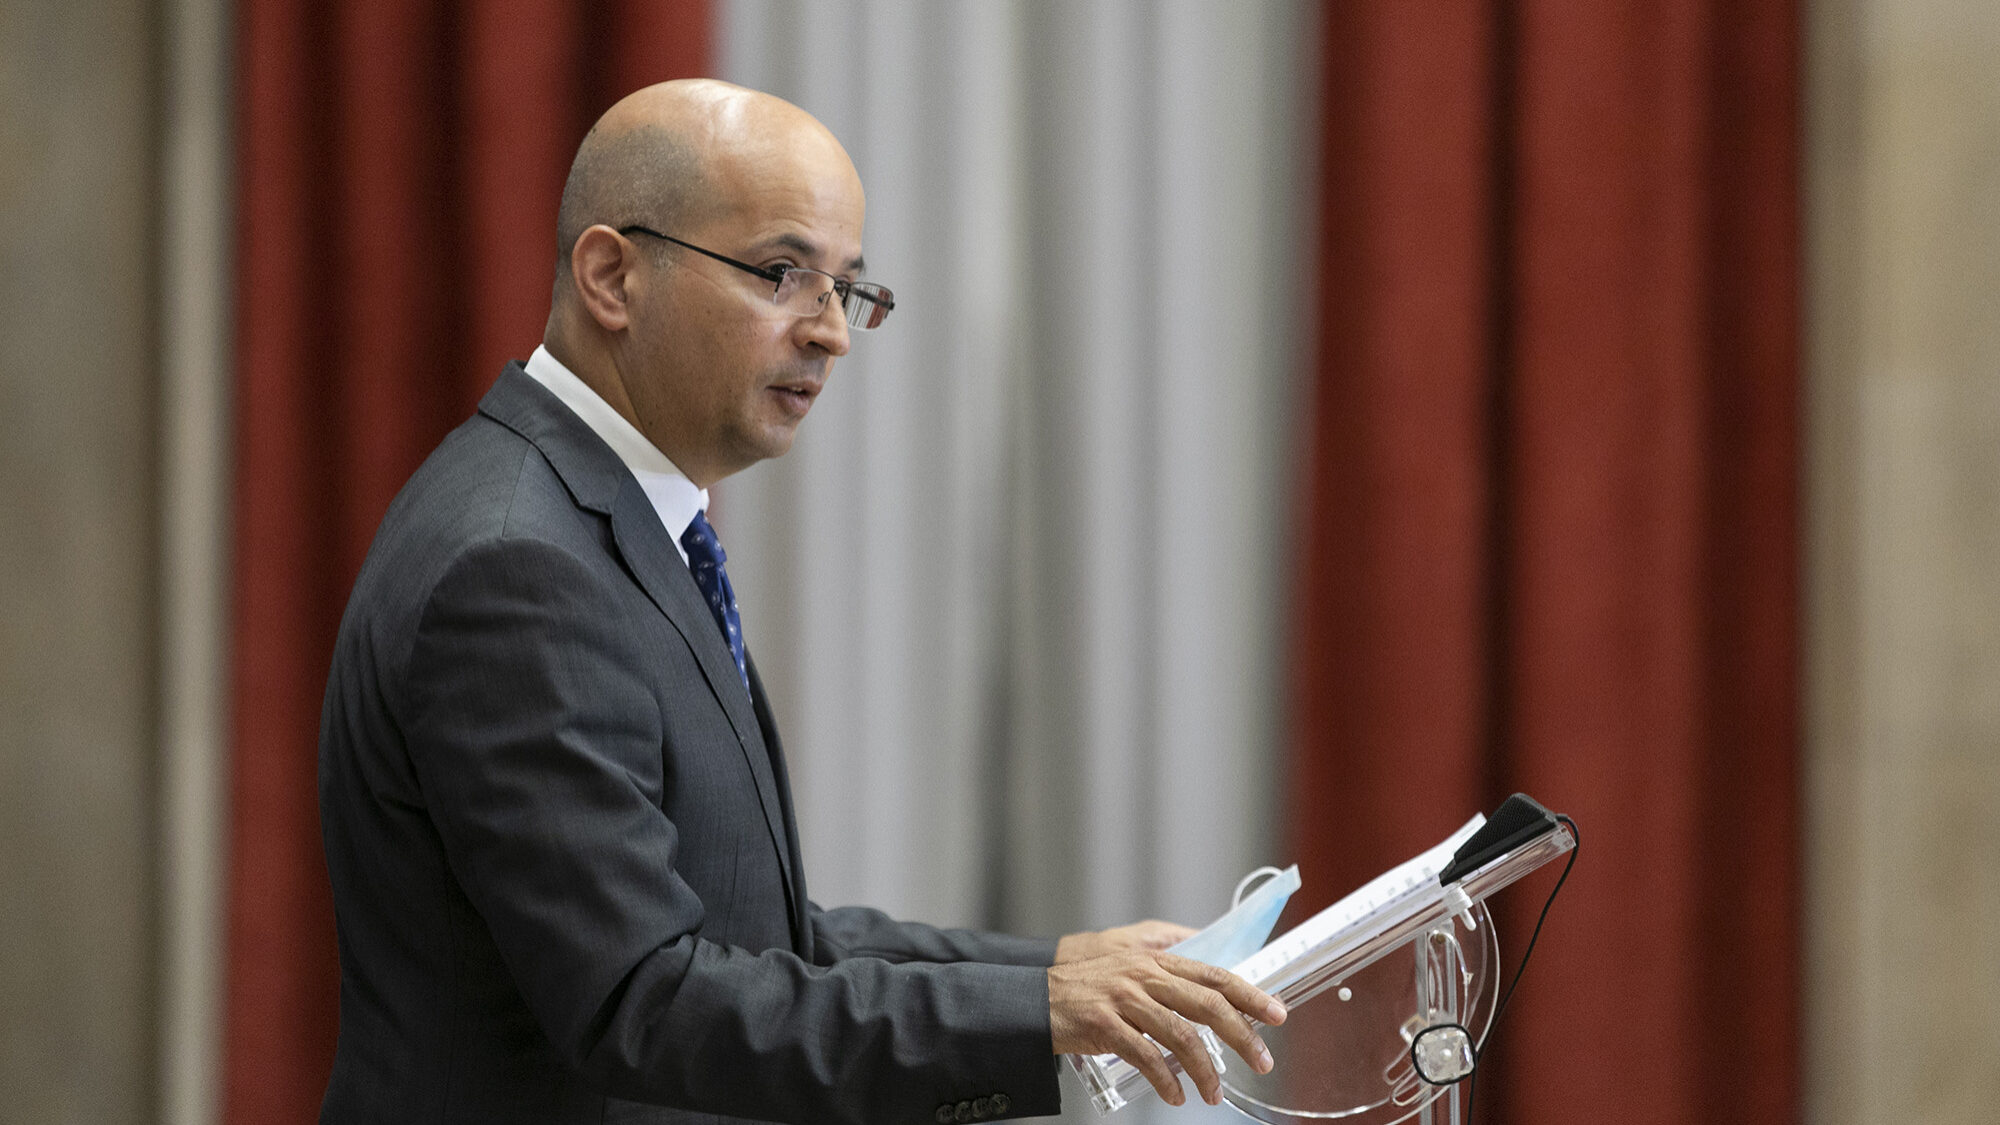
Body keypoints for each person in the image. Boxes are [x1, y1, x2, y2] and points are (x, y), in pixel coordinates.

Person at [317, 79, 1284, 1125]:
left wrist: (1059, 972)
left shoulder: (618, 526)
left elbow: (748, 934)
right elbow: (645, 998)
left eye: (846, 289)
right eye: (782, 274)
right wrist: (1039, 1009)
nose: (831, 333)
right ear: (611, 275)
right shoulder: (516, 566)